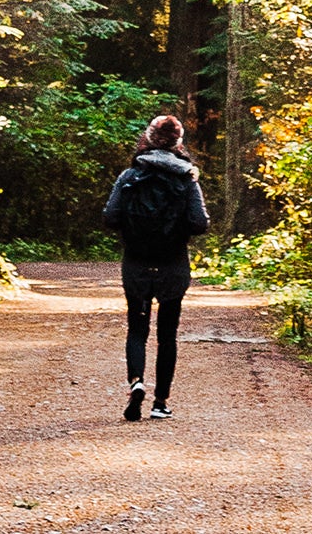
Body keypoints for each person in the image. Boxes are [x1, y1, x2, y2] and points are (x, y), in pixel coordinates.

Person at [101, 110, 209, 421]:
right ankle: (161, 402)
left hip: (136, 262)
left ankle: (136, 382)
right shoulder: (187, 178)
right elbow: (199, 223)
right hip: (173, 264)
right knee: (167, 334)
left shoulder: (129, 176)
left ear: (147, 139)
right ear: (178, 143)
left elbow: (110, 216)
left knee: (137, 329)